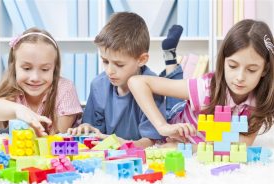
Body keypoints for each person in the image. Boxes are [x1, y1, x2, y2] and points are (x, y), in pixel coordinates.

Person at [128, 19, 274, 146]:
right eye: (233, 66)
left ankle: (171, 58)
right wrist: (162, 126)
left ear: (265, 69)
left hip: (192, 121)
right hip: (176, 114)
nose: (240, 77)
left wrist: (191, 149)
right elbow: (136, 82)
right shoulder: (205, 88)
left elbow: (243, 143)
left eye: (252, 69)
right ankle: (170, 57)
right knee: (174, 101)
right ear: (223, 62)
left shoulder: (261, 100)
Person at [68, 12, 194, 148]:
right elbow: (93, 130)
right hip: (114, 153)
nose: (109, 71)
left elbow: (150, 142)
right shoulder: (98, 85)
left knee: (174, 108)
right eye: (105, 61)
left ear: (141, 60)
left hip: (154, 136)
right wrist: (86, 128)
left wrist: (127, 145)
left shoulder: (151, 86)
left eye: (119, 64)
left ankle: (170, 58)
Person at [0, 28, 82, 136]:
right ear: (14, 67)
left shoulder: (65, 88)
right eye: (27, 68)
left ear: (54, 69)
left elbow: (57, 136)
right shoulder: (13, 87)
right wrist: (19, 110)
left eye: (45, 69)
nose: (35, 77)